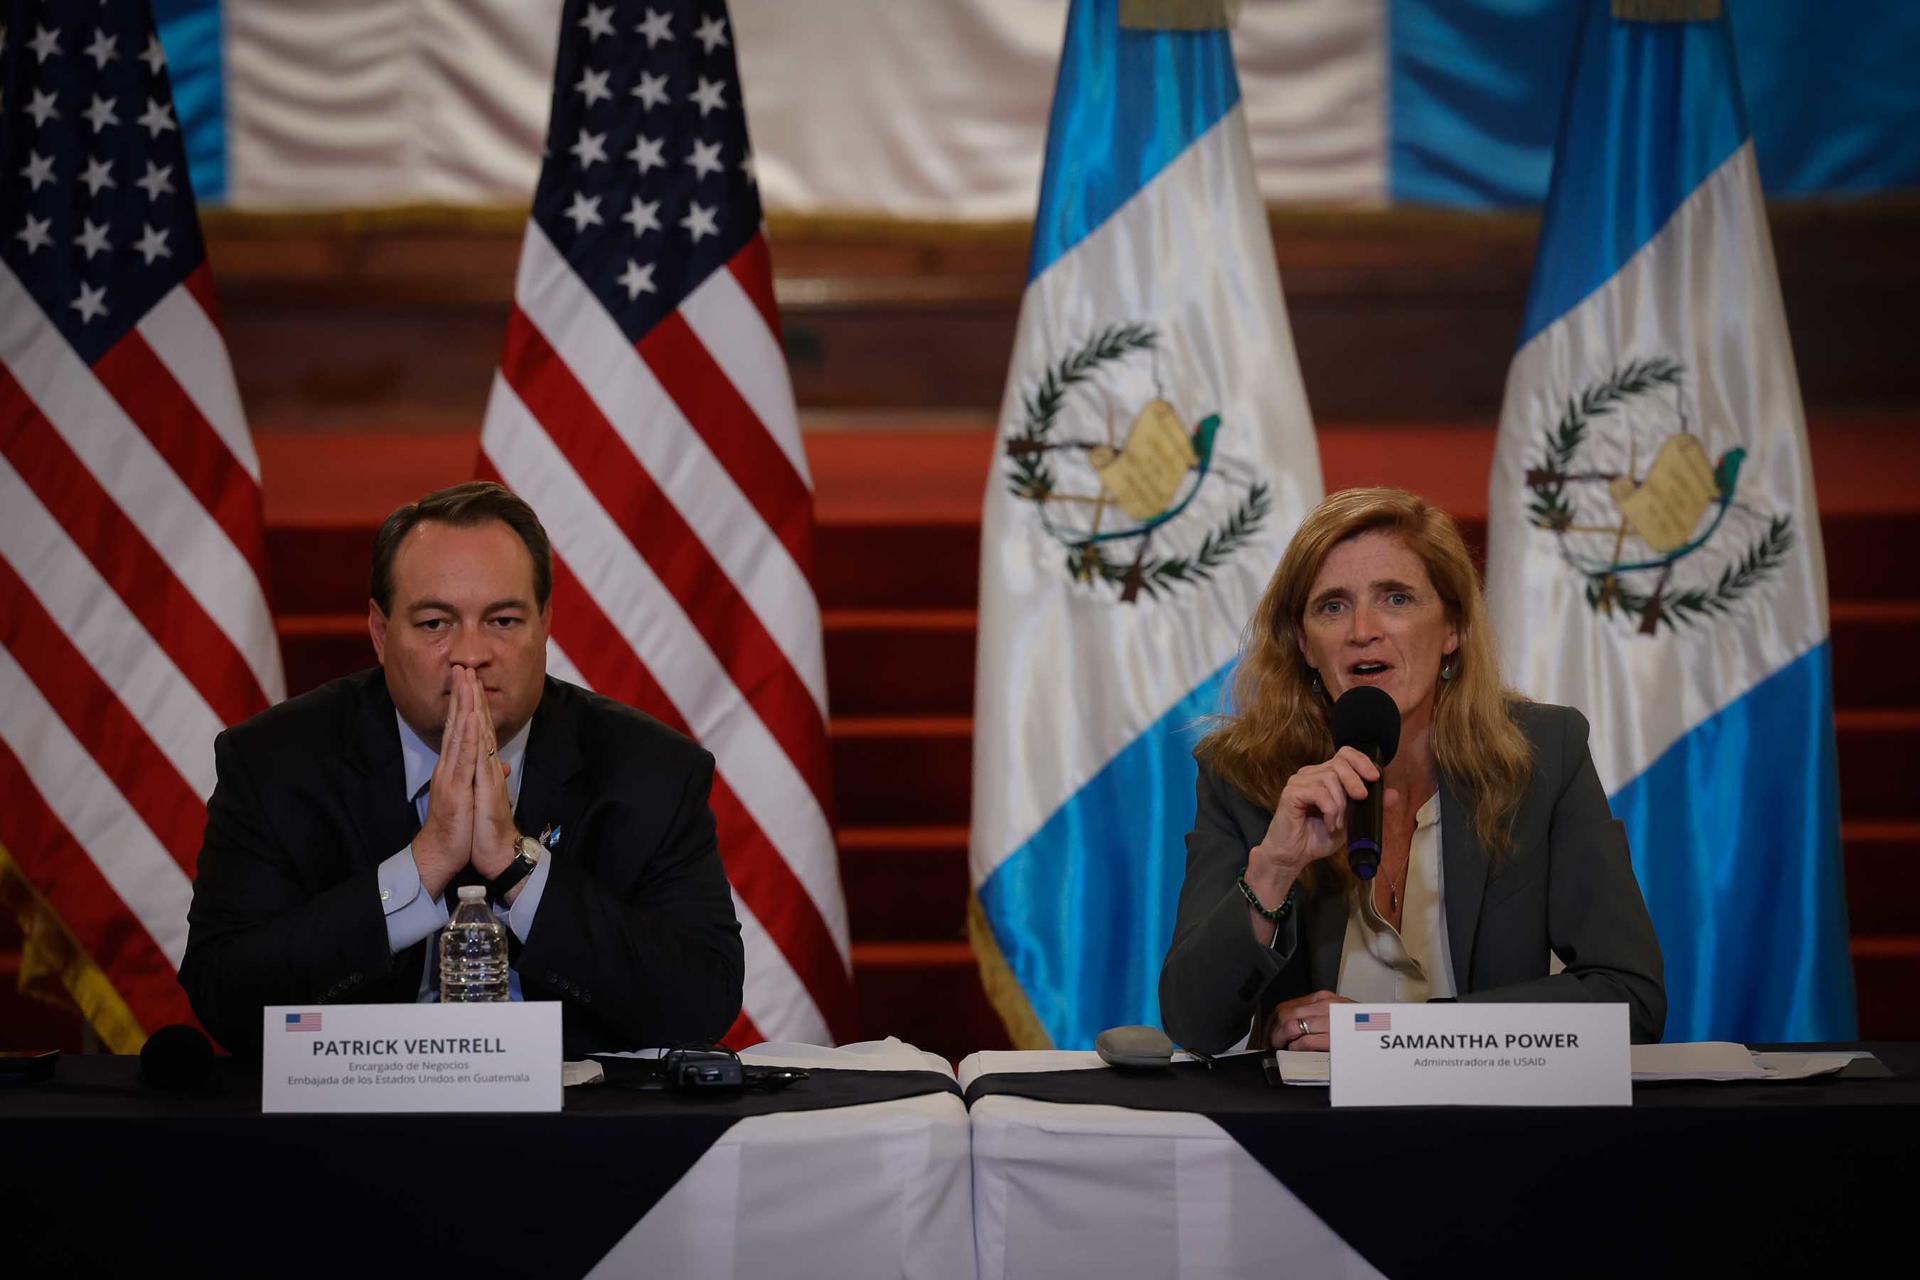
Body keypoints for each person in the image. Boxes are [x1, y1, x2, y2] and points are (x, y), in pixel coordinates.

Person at [181, 482, 744, 1057]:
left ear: (545, 623)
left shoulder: (651, 773)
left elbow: (703, 999)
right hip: (355, 1122)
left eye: (502, 621)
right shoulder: (277, 763)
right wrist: (424, 864)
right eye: (435, 624)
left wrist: (515, 863)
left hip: (574, 1125)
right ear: (380, 633)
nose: (470, 653)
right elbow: (225, 995)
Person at [1159, 487, 1665, 1054]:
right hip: (1310, 1130)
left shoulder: (1544, 754)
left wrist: (1401, 1035)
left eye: (1396, 599)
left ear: (1452, 628)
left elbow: (1631, 999)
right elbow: (1195, 1026)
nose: (1362, 630)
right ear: (1303, 643)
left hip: (1494, 1128)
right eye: (1332, 606)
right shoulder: (1243, 777)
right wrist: (1273, 870)